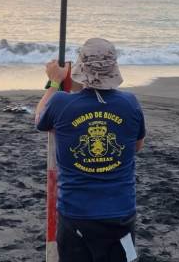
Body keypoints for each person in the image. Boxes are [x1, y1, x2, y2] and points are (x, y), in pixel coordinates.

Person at [35, 38, 146, 262]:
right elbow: (136, 146)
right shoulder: (130, 102)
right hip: (120, 211)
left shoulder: (60, 102)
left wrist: (55, 82)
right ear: (113, 69)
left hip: (76, 212)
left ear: (79, 69)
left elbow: (40, 118)